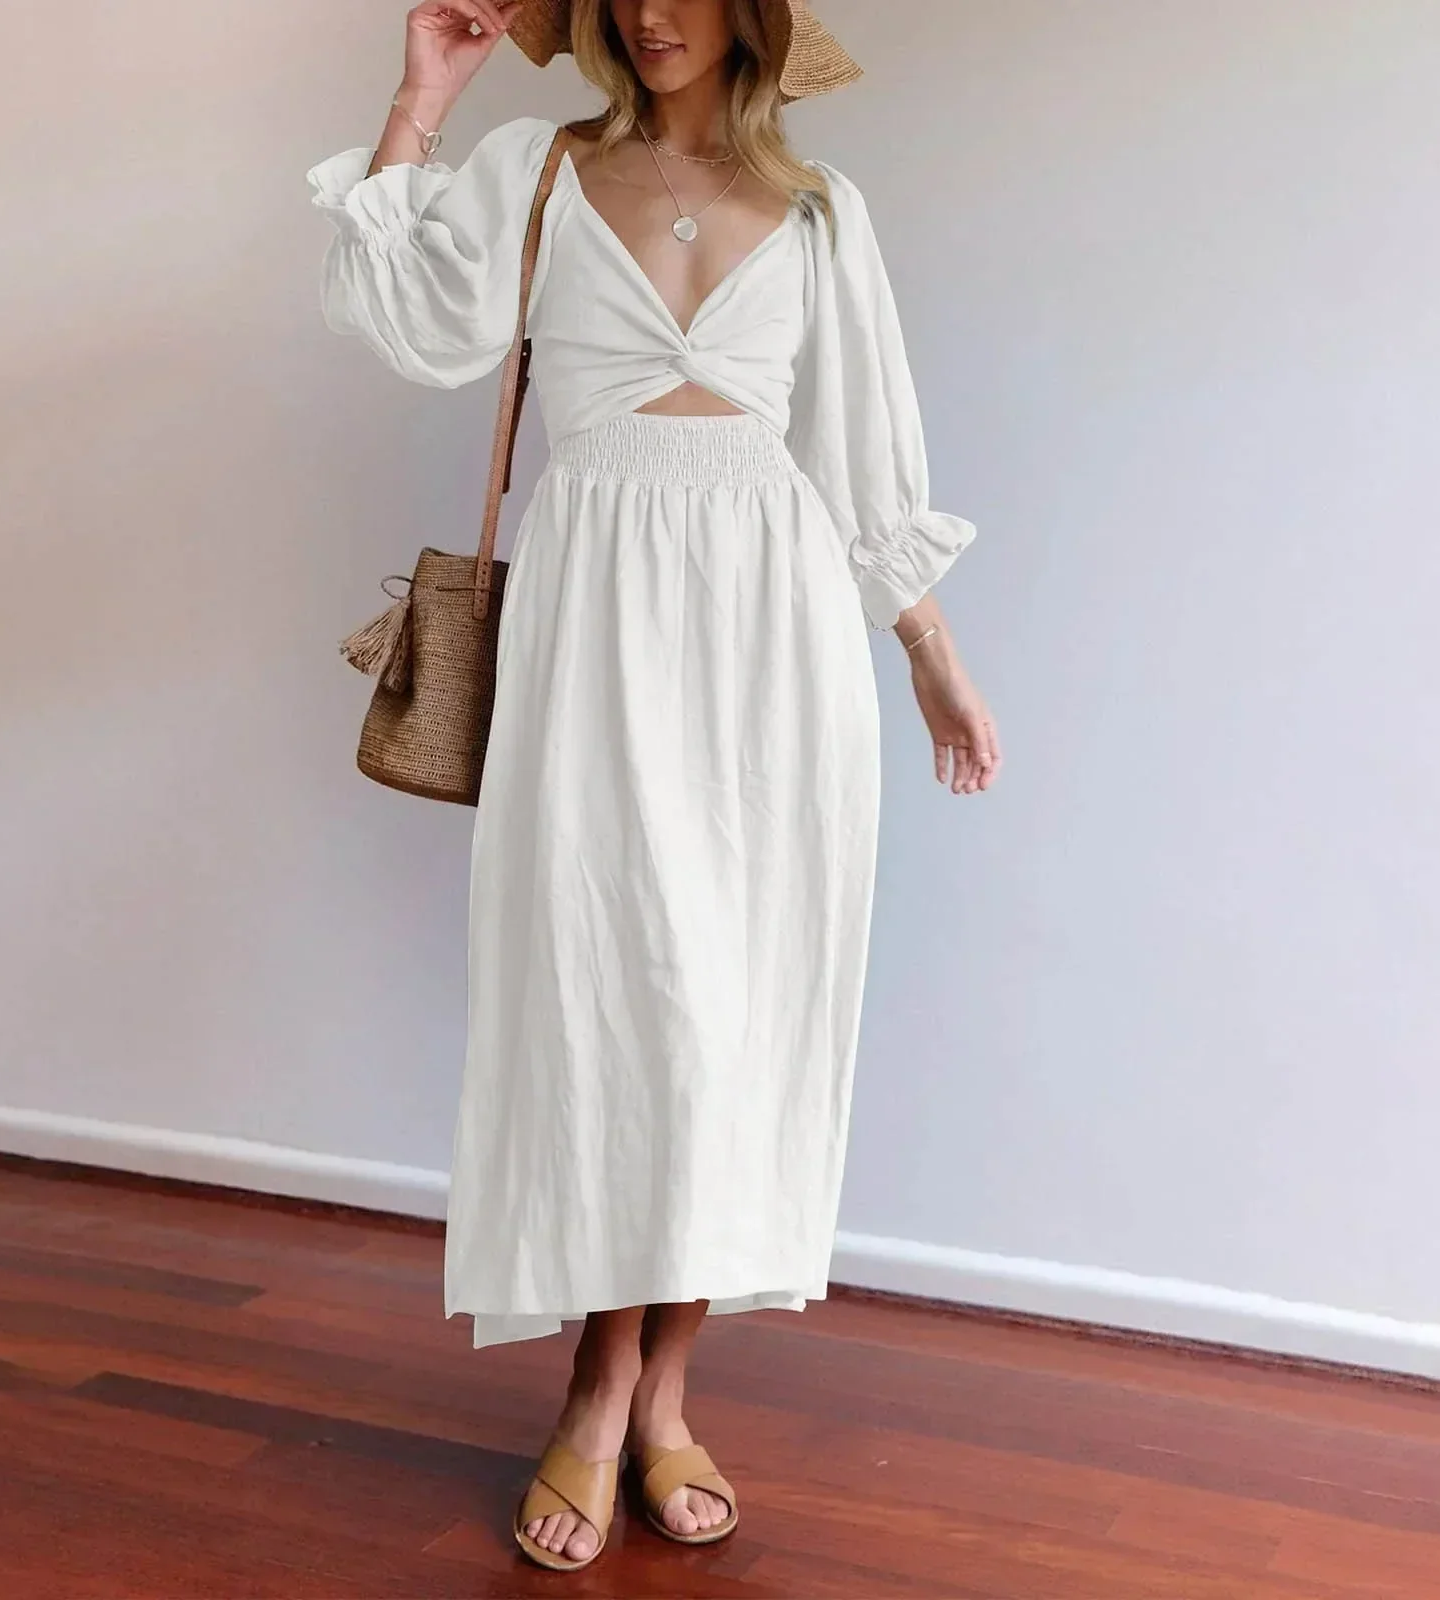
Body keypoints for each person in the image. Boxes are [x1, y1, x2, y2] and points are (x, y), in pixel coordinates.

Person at [307, 0, 1001, 1572]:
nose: (650, 10)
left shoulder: (821, 212)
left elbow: (862, 462)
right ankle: (599, 1376)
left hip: (777, 647)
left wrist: (932, 652)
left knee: (735, 1022)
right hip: (596, 632)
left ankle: (655, 1383)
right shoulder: (536, 170)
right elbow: (405, 320)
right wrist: (420, 100)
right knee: (604, 1007)